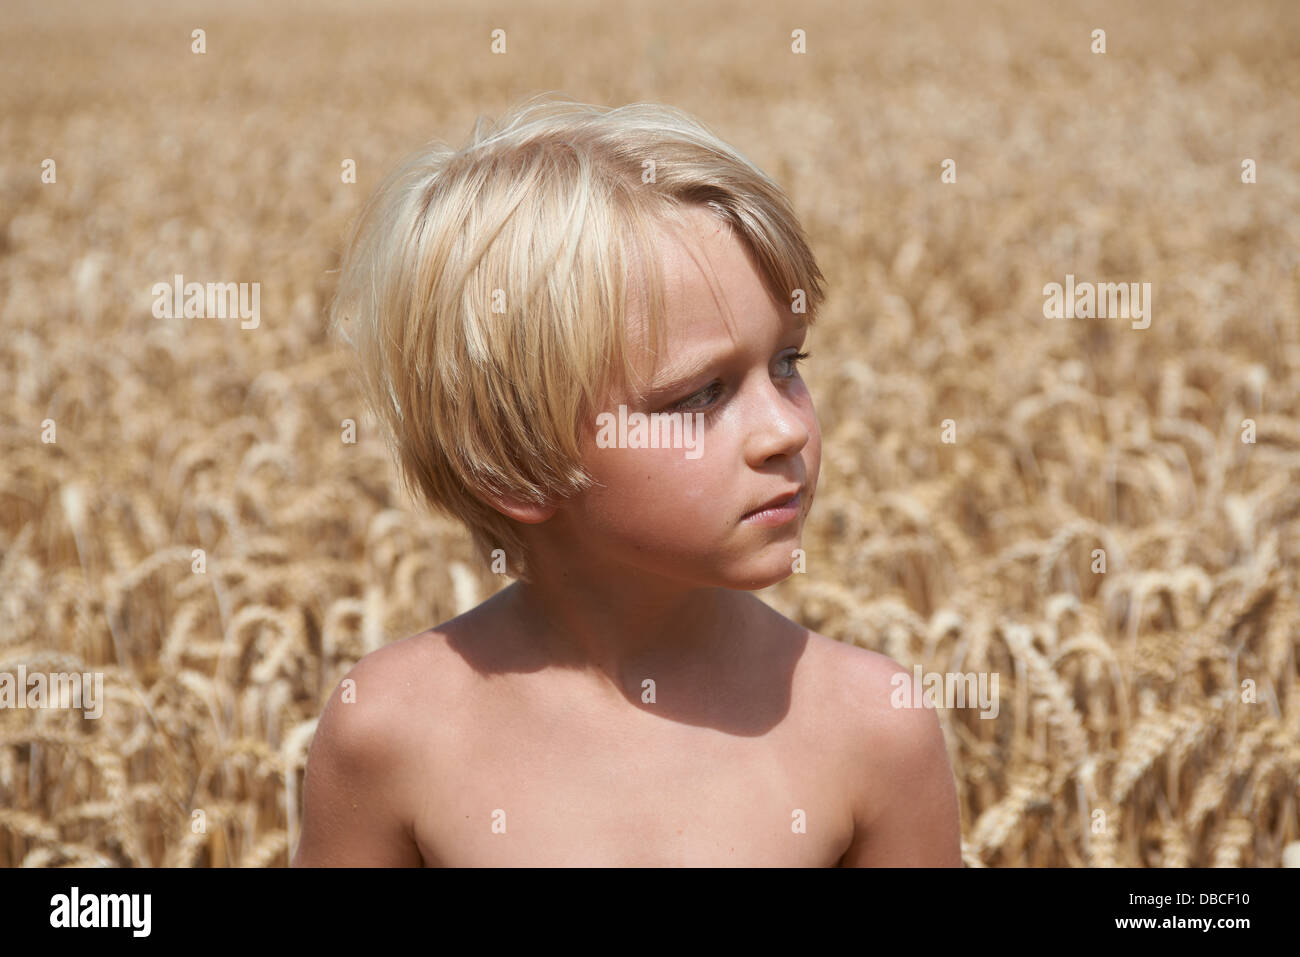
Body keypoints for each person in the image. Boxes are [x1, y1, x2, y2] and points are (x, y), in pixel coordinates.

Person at [292, 93, 962, 867]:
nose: (785, 429)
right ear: (516, 460)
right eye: (701, 395)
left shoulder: (875, 727)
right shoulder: (388, 731)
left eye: (788, 364)